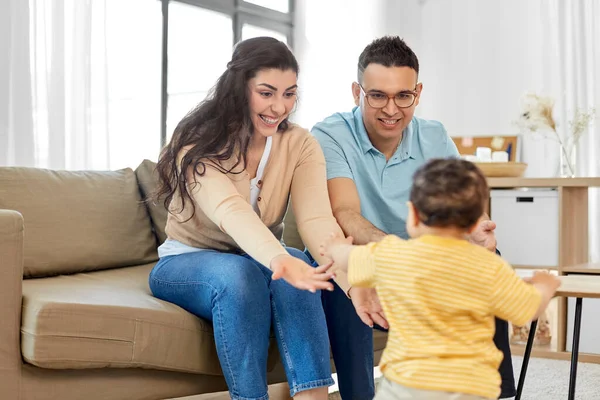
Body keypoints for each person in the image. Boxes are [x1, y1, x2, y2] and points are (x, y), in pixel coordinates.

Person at [311, 36, 517, 399]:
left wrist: (477, 231)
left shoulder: (434, 135)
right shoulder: (331, 134)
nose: (391, 109)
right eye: (377, 95)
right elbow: (344, 212)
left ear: (417, 93)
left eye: (403, 96)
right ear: (357, 92)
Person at [150, 37, 346, 400]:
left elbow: (317, 219)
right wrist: (280, 260)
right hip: (185, 261)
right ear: (240, 88)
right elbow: (230, 211)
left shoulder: (300, 144)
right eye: (267, 93)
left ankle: (313, 397)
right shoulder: (196, 142)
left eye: (289, 94)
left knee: (299, 267)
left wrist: (351, 274)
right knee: (250, 272)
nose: (279, 106)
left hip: (257, 259)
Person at [319, 158, 561, 400]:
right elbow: (526, 308)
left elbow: (349, 259)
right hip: (469, 387)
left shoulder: (393, 254)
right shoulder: (488, 266)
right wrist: (544, 286)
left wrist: (335, 247)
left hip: (405, 384)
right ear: (475, 222)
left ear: (413, 215)